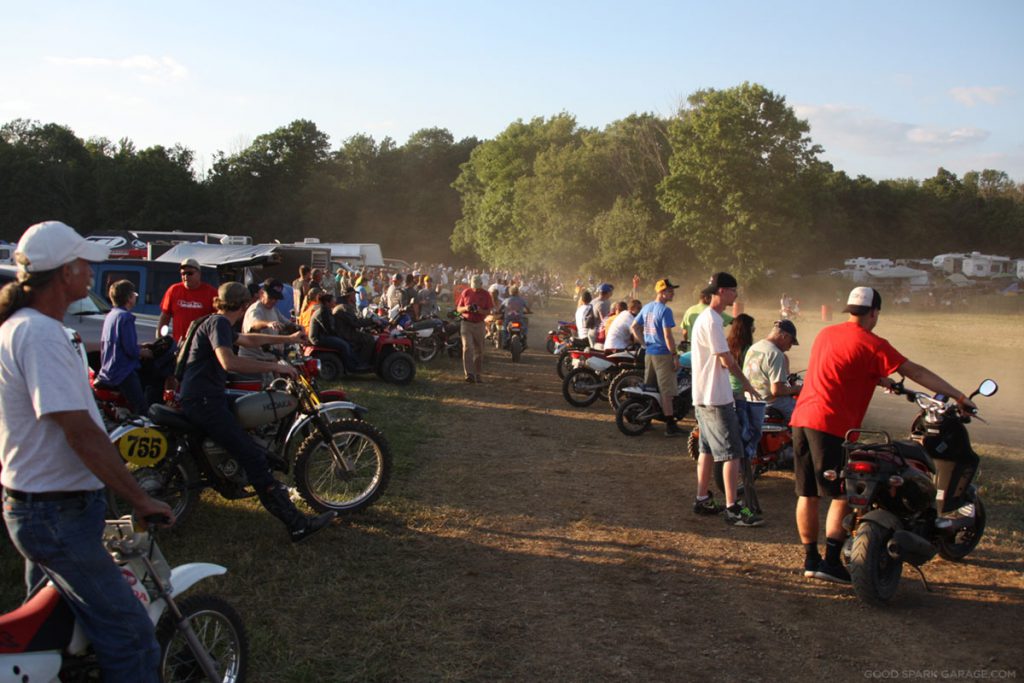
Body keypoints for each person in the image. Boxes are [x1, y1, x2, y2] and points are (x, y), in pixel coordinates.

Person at [1, 220, 175, 682]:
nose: (90, 274)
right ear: (64, 274)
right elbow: (79, 432)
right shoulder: (39, 334)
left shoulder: (26, 327)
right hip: (56, 513)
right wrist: (139, 497)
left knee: (54, 637)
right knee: (132, 633)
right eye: (82, 265)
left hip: (42, 505)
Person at [790, 286, 976, 583]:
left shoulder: (826, 334)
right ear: (874, 312)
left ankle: (811, 559)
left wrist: (876, 377)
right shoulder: (874, 344)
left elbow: (840, 367)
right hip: (832, 424)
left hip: (802, 418)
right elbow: (916, 372)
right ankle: (830, 560)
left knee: (807, 493)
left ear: (850, 310)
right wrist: (958, 395)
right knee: (842, 494)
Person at [178, 281, 336, 542]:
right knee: (254, 459)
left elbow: (250, 339)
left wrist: (287, 339)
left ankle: (235, 465)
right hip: (204, 401)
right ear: (243, 304)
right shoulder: (218, 325)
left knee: (247, 411)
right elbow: (228, 362)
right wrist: (276, 366)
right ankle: (297, 524)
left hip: (205, 397)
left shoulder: (217, 322)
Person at [689, 272, 762, 525]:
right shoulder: (712, 321)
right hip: (715, 398)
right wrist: (746, 384)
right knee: (733, 452)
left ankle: (701, 498)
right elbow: (725, 359)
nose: (735, 295)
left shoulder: (705, 319)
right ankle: (733, 508)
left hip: (702, 395)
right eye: (733, 290)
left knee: (707, 450)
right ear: (721, 291)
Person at [629, 279, 684, 437]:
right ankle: (670, 425)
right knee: (667, 391)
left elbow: (634, 326)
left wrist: (644, 343)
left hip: (650, 353)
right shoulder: (665, 311)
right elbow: (668, 335)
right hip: (663, 354)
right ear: (661, 292)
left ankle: (647, 420)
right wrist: (674, 355)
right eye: (669, 291)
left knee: (650, 387)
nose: (672, 293)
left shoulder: (647, 307)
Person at [96, 279, 153, 415]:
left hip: (109, 369)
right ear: (129, 298)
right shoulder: (126, 317)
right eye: (134, 295)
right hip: (123, 371)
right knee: (141, 408)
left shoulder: (111, 315)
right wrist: (145, 352)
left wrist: (140, 346)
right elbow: (130, 350)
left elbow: (116, 343)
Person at [743, 319, 801, 423]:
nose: (789, 348)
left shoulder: (754, 347)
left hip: (750, 400)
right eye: (791, 342)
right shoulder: (775, 353)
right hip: (769, 402)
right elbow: (777, 391)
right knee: (803, 413)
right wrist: (796, 389)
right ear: (784, 336)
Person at [157, 257, 217, 342]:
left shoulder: (211, 293)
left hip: (201, 344)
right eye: (183, 273)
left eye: (190, 273)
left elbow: (217, 319)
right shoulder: (173, 290)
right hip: (178, 343)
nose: (185, 276)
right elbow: (165, 316)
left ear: (199, 274)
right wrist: (160, 338)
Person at [309, 291, 369, 372]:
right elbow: (328, 329)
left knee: (347, 342)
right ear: (327, 303)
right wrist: (339, 335)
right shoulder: (322, 312)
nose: (335, 302)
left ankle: (357, 362)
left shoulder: (326, 310)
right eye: (333, 301)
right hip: (319, 338)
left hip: (324, 335)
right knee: (344, 345)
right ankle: (352, 366)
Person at [239, 278, 291, 363]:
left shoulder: (274, 309)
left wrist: (298, 327)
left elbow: (286, 323)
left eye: (276, 298)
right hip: (253, 360)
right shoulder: (256, 309)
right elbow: (254, 323)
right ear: (262, 293)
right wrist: (268, 324)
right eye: (270, 297)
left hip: (269, 358)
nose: (273, 301)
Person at [456, 274, 492, 383]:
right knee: (467, 347)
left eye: (477, 286)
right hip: (466, 323)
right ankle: (469, 374)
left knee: (479, 350)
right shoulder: (466, 292)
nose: (475, 288)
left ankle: (478, 374)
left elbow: (488, 311)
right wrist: (466, 308)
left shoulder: (486, 294)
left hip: (479, 324)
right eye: (473, 286)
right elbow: (458, 309)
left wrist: (480, 310)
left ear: (481, 284)